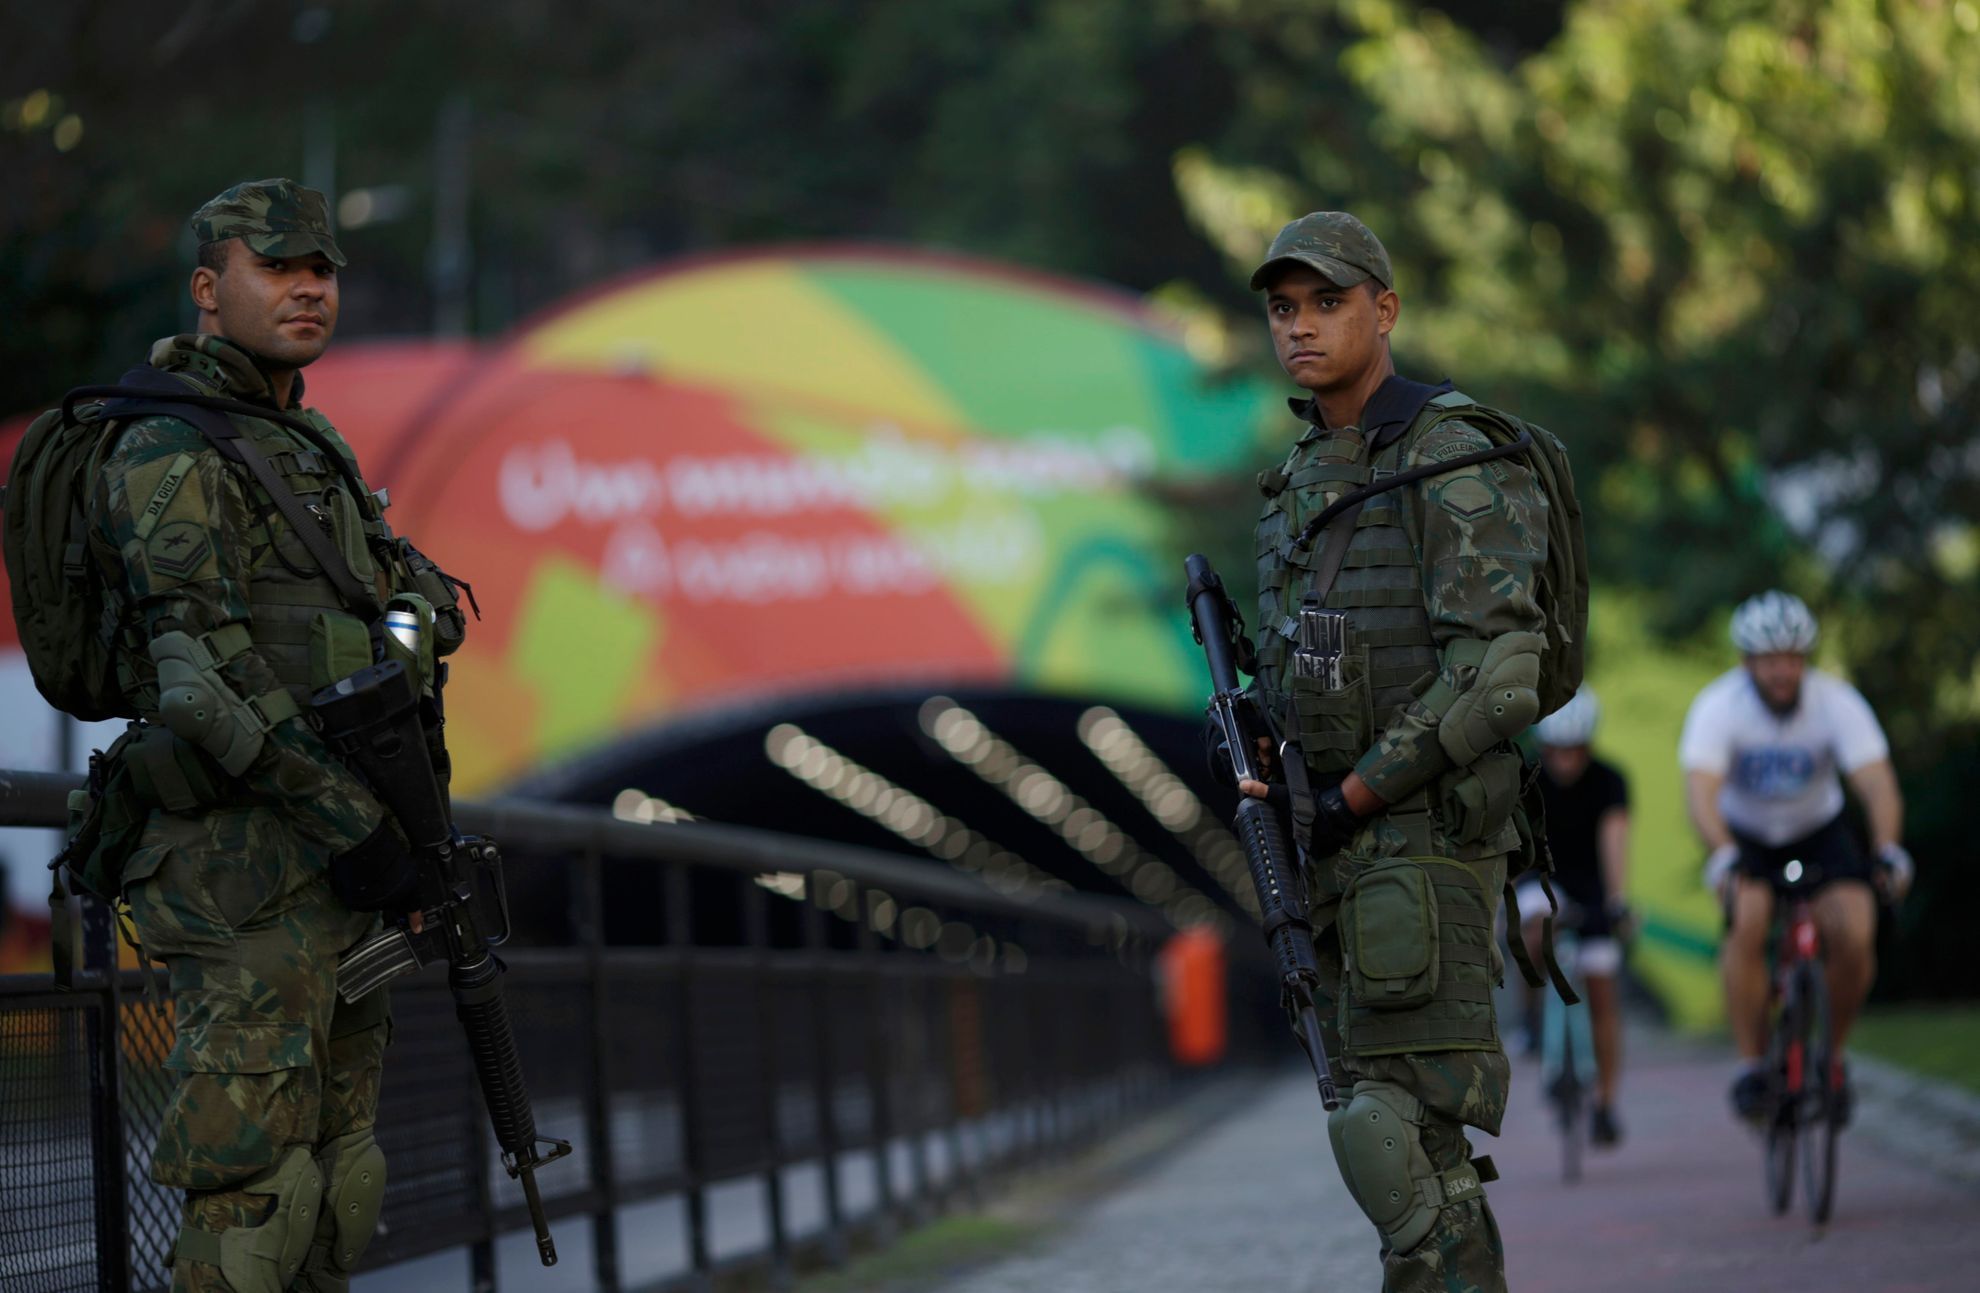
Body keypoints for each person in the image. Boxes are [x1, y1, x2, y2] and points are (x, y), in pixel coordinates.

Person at [78, 179, 465, 1292]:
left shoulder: (308, 444)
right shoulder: (167, 449)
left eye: (324, 270)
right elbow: (198, 683)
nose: (309, 288)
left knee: (338, 1178)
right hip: (243, 871)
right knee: (251, 1189)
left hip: (339, 873)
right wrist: (354, 823)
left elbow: (410, 604)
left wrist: (405, 629)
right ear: (209, 290)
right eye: (278, 267)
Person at [1239, 211, 1563, 1293]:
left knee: (1388, 1138)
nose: (1301, 327)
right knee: (1410, 1155)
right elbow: (1310, 671)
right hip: (1334, 852)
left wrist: (1360, 792)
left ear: (1385, 308)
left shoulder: (1447, 453)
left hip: (1419, 841)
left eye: (1327, 302)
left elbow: (1499, 671)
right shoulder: (1298, 480)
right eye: (1284, 309)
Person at [1679, 590, 1913, 1124]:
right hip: (1747, 837)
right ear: (1747, 662)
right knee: (1749, 919)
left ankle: (1829, 1056)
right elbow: (1701, 791)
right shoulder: (1719, 706)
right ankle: (1751, 1064)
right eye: (1769, 660)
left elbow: (1876, 782)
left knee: (1855, 929)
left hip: (1819, 830)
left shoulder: (1837, 702)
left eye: (1792, 658)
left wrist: (1888, 849)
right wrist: (1723, 853)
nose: (1782, 671)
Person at [1516, 687, 1631, 1145]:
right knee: (1534, 925)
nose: (1566, 761)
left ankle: (1604, 1101)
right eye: (1558, 751)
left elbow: (1615, 840)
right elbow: (1514, 841)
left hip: (1591, 886)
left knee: (1603, 990)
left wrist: (1618, 900)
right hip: (1538, 879)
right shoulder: (1526, 778)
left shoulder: (1609, 781)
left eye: (1575, 750)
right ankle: (1530, 1016)